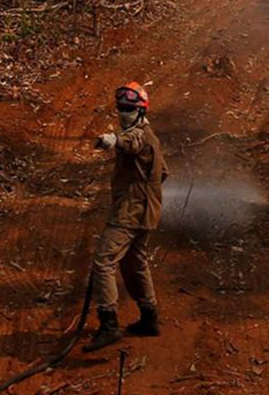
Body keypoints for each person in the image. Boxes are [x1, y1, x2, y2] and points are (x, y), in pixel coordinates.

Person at [85, 81, 168, 350]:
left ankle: (109, 325)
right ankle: (149, 317)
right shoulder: (152, 136)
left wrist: (114, 141)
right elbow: (163, 172)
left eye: (129, 109)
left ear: (141, 111)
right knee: (135, 262)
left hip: (129, 212)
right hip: (145, 211)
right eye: (120, 108)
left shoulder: (139, 135)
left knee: (104, 261)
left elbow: (129, 143)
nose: (123, 113)